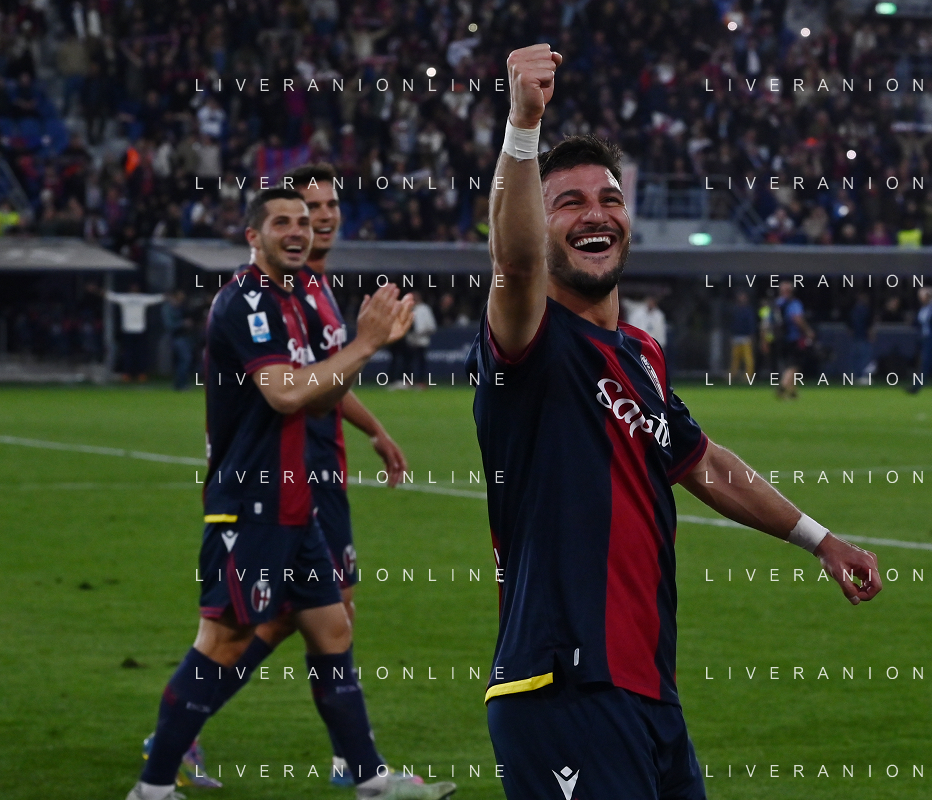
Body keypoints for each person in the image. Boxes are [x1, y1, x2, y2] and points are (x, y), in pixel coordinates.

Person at [468, 44, 881, 800]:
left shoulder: (641, 356)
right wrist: (523, 127)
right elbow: (516, 265)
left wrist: (821, 540)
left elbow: (702, 462)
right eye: (568, 203)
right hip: (562, 687)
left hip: (649, 691)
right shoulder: (532, 342)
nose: (595, 213)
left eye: (609, 198)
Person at [127, 188, 449, 800]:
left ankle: (370, 778)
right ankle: (153, 787)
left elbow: (319, 398)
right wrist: (364, 345)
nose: (299, 230)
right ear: (254, 236)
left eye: (304, 220)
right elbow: (284, 393)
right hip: (252, 501)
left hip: (295, 502)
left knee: (332, 629)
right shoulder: (247, 301)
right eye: (283, 222)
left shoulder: (298, 299)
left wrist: (360, 362)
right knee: (225, 640)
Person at [101, 282, 164, 381]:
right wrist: (97, 290)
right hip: (128, 330)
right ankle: (127, 373)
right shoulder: (125, 298)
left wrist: (167, 295)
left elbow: (156, 298)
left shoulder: (142, 298)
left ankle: (141, 373)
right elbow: (111, 296)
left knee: (140, 353)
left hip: (140, 329)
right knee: (128, 353)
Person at [774, 282, 814, 399]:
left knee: (788, 364)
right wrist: (808, 331)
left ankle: (792, 392)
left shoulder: (776, 303)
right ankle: (783, 386)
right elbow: (797, 318)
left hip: (779, 338)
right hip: (793, 337)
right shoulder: (794, 303)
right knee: (794, 365)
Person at [728, 290, 756, 378]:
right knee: (735, 358)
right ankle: (733, 375)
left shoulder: (748, 310)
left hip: (746, 337)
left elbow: (751, 323)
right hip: (736, 336)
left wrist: (751, 334)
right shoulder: (735, 310)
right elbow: (732, 323)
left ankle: (748, 376)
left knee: (748, 358)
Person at [847, 292, 875, 381]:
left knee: (856, 357)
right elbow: (869, 324)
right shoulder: (865, 310)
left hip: (856, 337)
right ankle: (862, 376)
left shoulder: (853, 310)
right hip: (863, 337)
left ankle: (856, 375)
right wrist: (871, 335)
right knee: (864, 357)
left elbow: (849, 325)